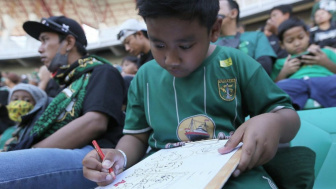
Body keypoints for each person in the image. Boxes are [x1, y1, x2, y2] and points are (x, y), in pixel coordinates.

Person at [82, 0, 301, 188]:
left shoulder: (236, 63)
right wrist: (119, 157)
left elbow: (288, 117)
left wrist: (273, 122)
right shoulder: (144, 76)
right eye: (158, 45)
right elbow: (136, 135)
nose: (171, 59)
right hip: (161, 177)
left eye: (185, 46)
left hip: (233, 173)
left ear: (214, 29)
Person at [0, 16, 126, 188]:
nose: (40, 49)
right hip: (61, 153)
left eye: (45, 40)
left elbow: (94, 122)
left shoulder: (102, 71)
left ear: (68, 42)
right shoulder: (62, 84)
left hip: (93, 157)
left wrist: (28, 153)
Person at [271, 17, 336, 110]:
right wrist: (284, 72)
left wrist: (326, 62)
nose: (297, 43)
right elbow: (273, 87)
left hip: (325, 80)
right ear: (282, 44)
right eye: (290, 41)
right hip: (295, 83)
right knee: (280, 89)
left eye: (301, 37)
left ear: (308, 35)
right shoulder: (281, 63)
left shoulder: (324, 52)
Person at [215, 0, 276, 75]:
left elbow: (265, 67)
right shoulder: (207, 43)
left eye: (217, 9)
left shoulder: (257, 36)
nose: (211, 13)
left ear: (233, 13)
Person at [0, 83, 48, 150]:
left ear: (38, 104)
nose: (19, 104)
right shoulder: (8, 131)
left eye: (27, 100)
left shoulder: (37, 132)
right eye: (15, 99)